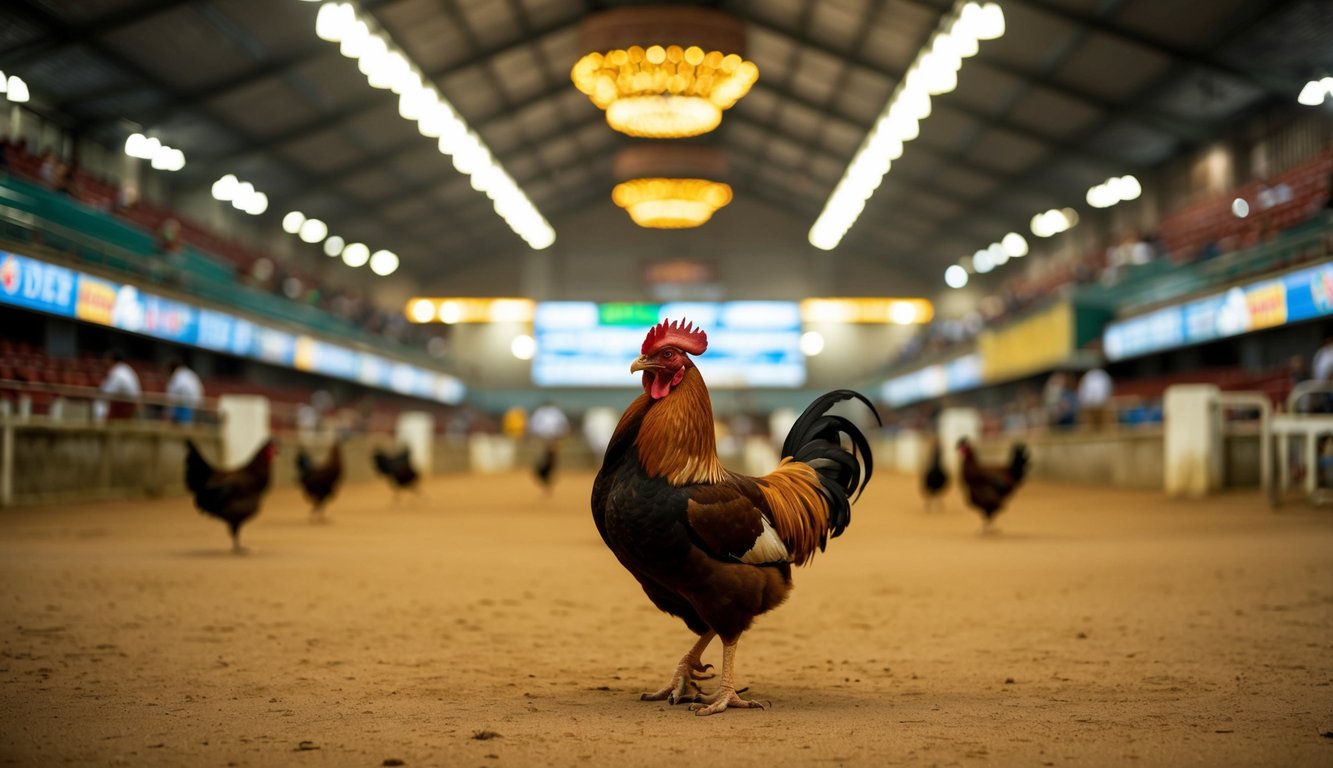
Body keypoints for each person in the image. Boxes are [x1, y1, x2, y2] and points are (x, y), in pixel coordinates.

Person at [528, 401, 569, 494]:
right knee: (545, 464)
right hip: (546, 440)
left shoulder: (542, 412)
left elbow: (562, 426)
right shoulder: (554, 412)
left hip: (549, 440)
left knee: (549, 463)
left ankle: (547, 481)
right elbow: (563, 426)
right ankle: (546, 481)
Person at [96, 350, 141, 421]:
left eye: (106, 359)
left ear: (111, 360)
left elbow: (107, 392)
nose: (104, 361)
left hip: (123, 407)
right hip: (128, 406)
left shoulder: (118, 372)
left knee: (100, 404)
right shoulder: (126, 369)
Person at [165, 359, 203, 424]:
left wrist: (168, 411)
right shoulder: (191, 373)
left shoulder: (178, 375)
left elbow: (172, 394)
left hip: (185, 406)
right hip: (194, 405)